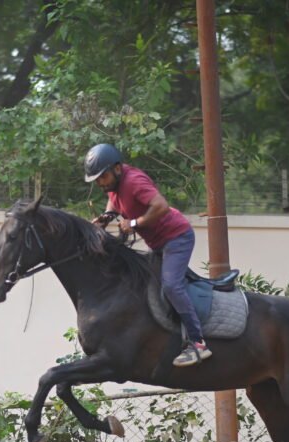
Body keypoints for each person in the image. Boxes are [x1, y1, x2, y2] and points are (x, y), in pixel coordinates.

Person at [85, 143, 212, 367]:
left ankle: (198, 343)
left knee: (172, 285)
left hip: (177, 238)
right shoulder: (115, 184)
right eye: (96, 180)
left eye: (102, 177)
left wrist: (133, 223)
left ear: (116, 168)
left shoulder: (134, 181)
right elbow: (114, 200)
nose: (100, 183)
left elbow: (161, 206)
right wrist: (107, 215)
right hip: (159, 243)